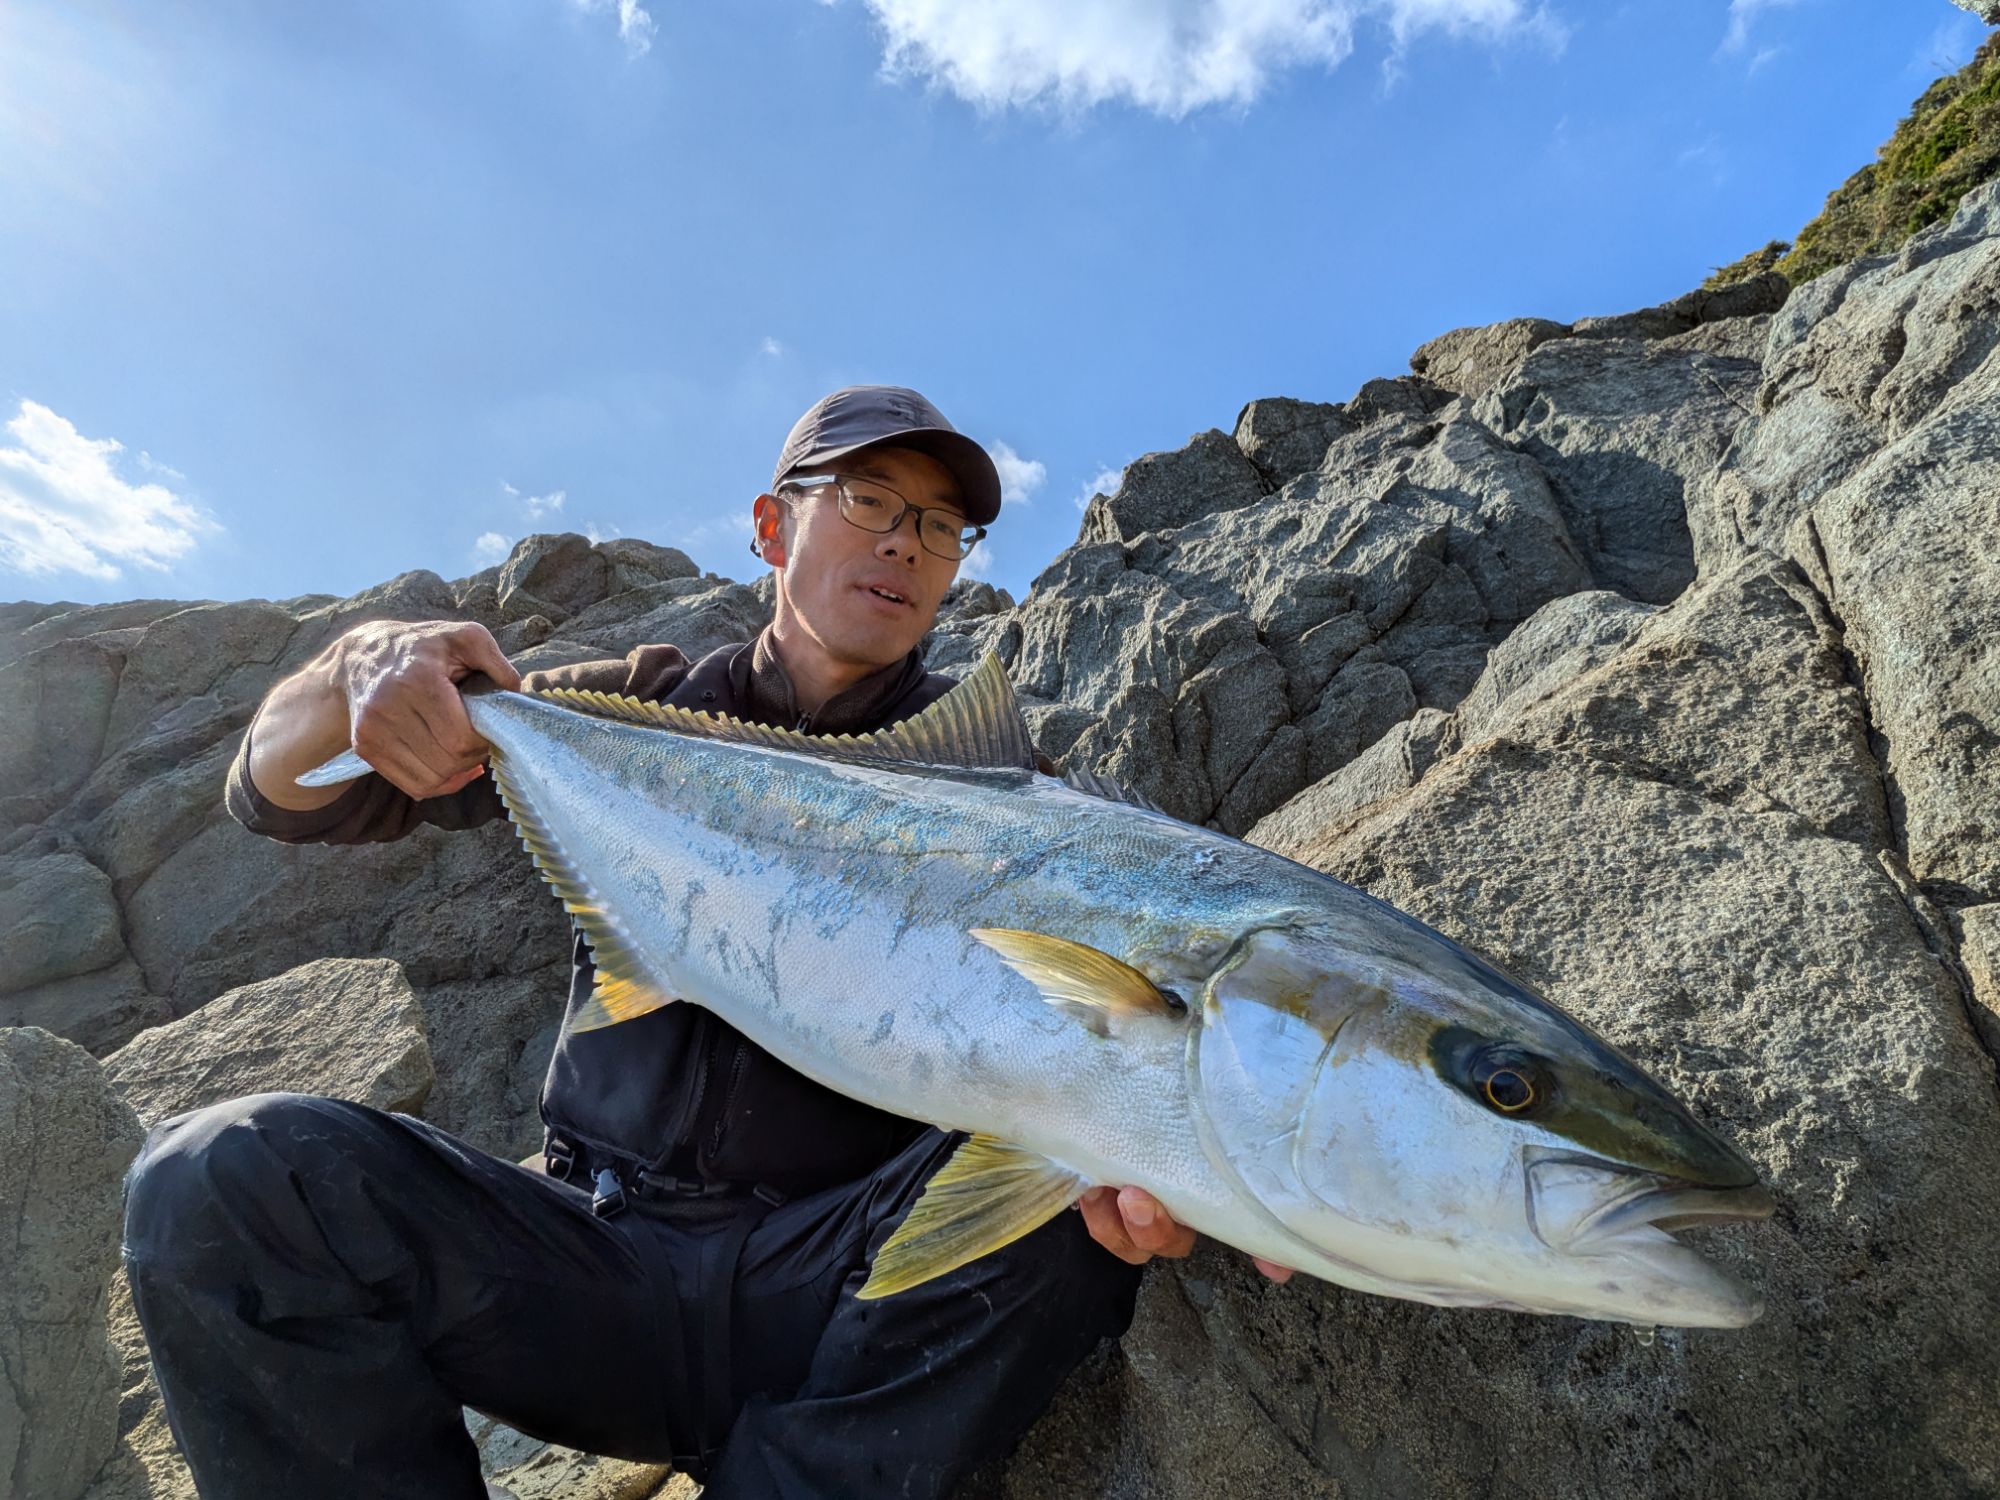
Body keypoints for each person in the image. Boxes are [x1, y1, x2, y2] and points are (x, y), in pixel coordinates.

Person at [121, 384, 1288, 1500]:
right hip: (586, 1272)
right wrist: (360, 664)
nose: (905, 544)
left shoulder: (1009, 806)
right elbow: (274, 794)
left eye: (941, 527)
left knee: (1068, 1199)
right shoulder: (613, 720)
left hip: (841, 1292)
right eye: (869, 500)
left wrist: (1190, 1158)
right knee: (223, 1175)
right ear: (772, 527)